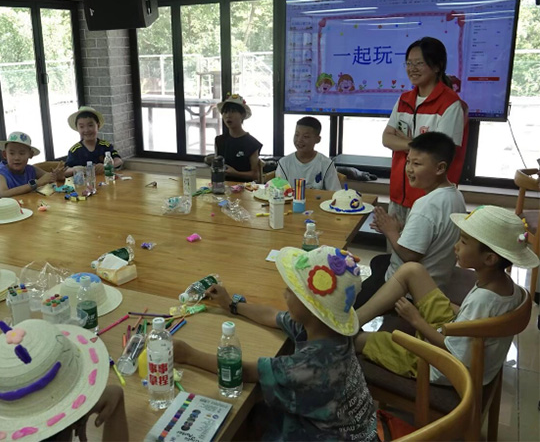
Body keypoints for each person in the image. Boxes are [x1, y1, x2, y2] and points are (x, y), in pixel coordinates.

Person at [174, 245, 378, 441]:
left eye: (291, 290)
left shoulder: (312, 364)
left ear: (309, 307)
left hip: (324, 436)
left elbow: (244, 372)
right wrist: (231, 305)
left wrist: (188, 354)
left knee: (241, 414)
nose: (284, 293)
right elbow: (273, 316)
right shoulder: (325, 329)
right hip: (356, 430)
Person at [356, 205, 535, 385]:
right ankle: (355, 320)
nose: (456, 246)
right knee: (413, 270)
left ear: (489, 259)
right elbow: (473, 323)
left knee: (368, 340)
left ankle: (350, 334)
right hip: (459, 335)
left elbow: (452, 351)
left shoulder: (484, 301)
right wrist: (439, 304)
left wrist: (416, 319)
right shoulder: (508, 286)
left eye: (463, 242)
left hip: (444, 367)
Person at [355, 132, 466, 308]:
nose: (409, 169)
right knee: (378, 261)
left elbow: (410, 256)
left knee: (350, 303)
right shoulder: (455, 195)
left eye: (417, 164)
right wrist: (400, 229)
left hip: (410, 291)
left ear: (440, 168)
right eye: (408, 161)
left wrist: (390, 231)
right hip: (437, 280)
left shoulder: (426, 205)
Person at [382, 37, 468, 227]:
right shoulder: (404, 100)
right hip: (399, 193)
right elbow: (386, 139)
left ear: (437, 66)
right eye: (409, 63)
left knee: (419, 246)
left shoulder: (450, 104)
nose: (412, 69)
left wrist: (404, 143)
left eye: (419, 63)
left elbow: (440, 154)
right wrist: (417, 143)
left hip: (430, 199)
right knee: (394, 243)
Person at [0, 131, 61, 203]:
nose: (17, 158)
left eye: (22, 153)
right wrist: (36, 184)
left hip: (24, 206)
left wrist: (57, 176)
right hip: (2, 209)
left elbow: (48, 177)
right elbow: (3, 194)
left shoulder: (31, 169)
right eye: (12, 153)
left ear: (30, 154)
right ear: (5, 154)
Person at [205, 94, 262, 182]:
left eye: (233, 112)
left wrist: (236, 173)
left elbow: (255, 175)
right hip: (222, 186)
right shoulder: (219, 140)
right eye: (225, 112)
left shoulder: (252, 143)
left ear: (242, 115)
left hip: (245, 188)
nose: (228, 115)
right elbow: (217, 166)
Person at [276, 116, 340, 191]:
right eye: (297, 135)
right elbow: (279, 192)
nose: (299, 140)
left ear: (318, 139)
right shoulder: (284, 163)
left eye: (306, 136)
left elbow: (335, 192)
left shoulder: (326, 164)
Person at [64, 107, 122, 176]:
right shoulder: (75, 150)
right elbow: (66, 170)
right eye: (82, 127)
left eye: (90, 125)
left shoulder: (105, 146)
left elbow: (118, 160)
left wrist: (106, 165)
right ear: (77, 128)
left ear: (98, 125)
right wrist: (77, 169)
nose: (86, 130)